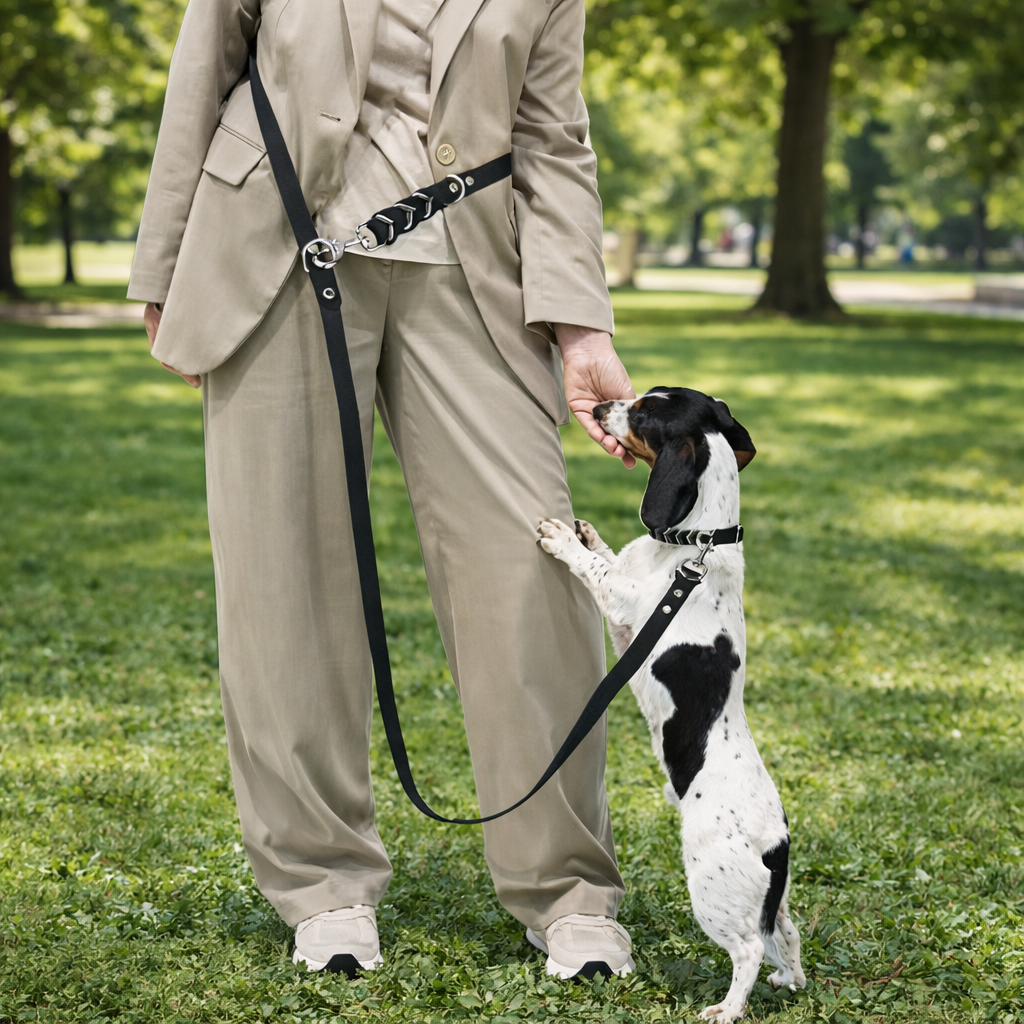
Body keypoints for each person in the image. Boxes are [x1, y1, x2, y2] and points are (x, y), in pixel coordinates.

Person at [129, 0, 638, 979]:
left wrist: (582, 327)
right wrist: (167, 260)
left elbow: (553, 138)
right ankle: (322, 885)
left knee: (531, 571)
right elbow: (202, 71)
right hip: (274, 247)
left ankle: (568, 889)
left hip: (474, 268)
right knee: (282, 578)